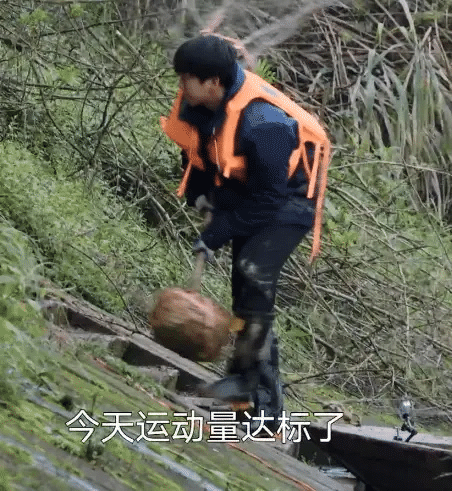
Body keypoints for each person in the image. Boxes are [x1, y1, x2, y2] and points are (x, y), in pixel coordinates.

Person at [159, 34, 331, 434]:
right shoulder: (198, 102)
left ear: (214, 82)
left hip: (288, 200)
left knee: (254, 275)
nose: (182, 85)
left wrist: (218, 232)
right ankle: (244, 387)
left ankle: (266, 405)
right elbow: (195, 152)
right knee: (245, 289)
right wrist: (202, 196)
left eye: (188, 78)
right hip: (247, 188)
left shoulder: (263, 123)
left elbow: (268, 201)